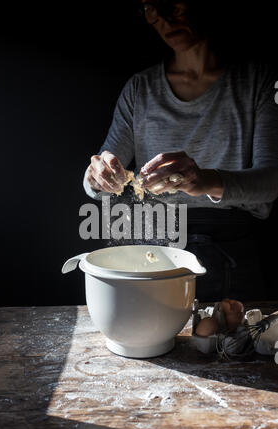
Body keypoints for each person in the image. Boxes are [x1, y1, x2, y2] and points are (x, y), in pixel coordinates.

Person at [83, 0, 278, 301]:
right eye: (151, 8)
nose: (162, 19)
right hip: (153, 249)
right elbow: (100, 175)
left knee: (230, 343)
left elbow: (271, 182)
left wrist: (203, 181)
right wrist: (97, 176)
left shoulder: (258, 81)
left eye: (172, 6)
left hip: (232, 251)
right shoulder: (140, 89)